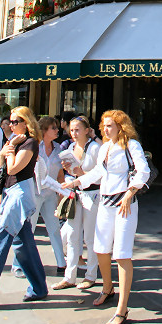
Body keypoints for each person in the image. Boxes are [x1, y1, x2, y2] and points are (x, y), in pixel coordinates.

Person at [63, 109, 149, 324]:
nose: (106, 128)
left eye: (110, 125)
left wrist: (131, 193)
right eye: (104, 125)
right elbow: (99, 173)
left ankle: (122, 309)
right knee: (100, 249)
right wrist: (75, 182)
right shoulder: (105, 148)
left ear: (121, 126)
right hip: (106, 202)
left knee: (122, 254)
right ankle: (108, 288)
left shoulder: (131, 145)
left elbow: (143, 171)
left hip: (124, 204)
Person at [0, 107, 48, 308]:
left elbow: (13, 168)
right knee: (23, 244)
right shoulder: (15, 142)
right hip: (11, 194)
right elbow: (2, 166)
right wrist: (6, 150)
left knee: (0, 243)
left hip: (19, 196)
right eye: (10, 121)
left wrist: (8, 150)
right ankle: (39, 288)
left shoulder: (29, 142)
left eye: (16, 121)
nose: (11, 124)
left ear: (26, 122)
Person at [53, 115, 100, 290]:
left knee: (89, 236)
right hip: (75, 193)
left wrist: (81, 174)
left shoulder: (95, 148)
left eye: (77, 130)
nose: (74, 133)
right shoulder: (72, 147)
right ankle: (69, 276)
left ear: (87, 130)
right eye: (71, 130)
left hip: (92, 194)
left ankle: (90, 275)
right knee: (72, 235)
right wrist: (69, 171)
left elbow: (100, 174)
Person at [29, 117, 66, 273]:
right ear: (44, 130)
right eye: (53, 128)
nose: (57, 130)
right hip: (35, 192)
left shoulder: (58, 149)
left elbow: (60, 174)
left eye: (57, 128)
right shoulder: (35, 147)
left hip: (50, 193)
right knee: (29, 228)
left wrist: (61, 195)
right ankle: (20, 264)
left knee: (54, 227)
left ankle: (61, 263)